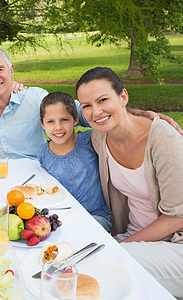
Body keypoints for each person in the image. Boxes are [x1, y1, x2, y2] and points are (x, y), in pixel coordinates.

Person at [0, 47, 182, 160]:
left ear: (11, 70)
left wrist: (140, 115)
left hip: (37, 181)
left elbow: (84, 112)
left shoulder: (36, 98)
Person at [76, 66, 183, 299]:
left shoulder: (164, 140)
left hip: (176, 246)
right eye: (87, 105)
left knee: (103, 272)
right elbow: (58, 111)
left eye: (103, 99)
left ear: (123, 96)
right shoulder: (100, 135)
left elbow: (178, 216)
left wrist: (119, 247)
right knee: (74, 258)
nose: (96, 111)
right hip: (132, 237)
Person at [0, 47, 90, 159]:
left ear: (11, 71)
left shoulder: (35, 98)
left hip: (34, 180)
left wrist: (103, 116)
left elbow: (75, 111)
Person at [36, 92, 111, 231]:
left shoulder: (90, 140)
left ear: (76, 119)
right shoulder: (42, 154)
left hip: (95, 217)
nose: (58, 127)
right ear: (42, 124)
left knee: (83, 233)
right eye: (50, 121)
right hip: (61, 219)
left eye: (64, 119)